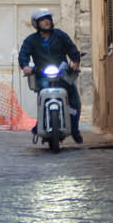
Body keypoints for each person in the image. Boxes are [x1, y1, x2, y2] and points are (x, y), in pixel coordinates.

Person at [18, 8, 83, 144]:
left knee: (74, 100)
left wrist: (75, 62)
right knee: (42, 96)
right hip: (42, 74)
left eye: (48, 18)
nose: (46, 21)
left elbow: (72, 49)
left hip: (63, 73)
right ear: (36, 23)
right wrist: (25, 66)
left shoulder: (60, 35)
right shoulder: (31, 40)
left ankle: (75, 129)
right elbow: (23, 54)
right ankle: (40, 125)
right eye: (42, 20)